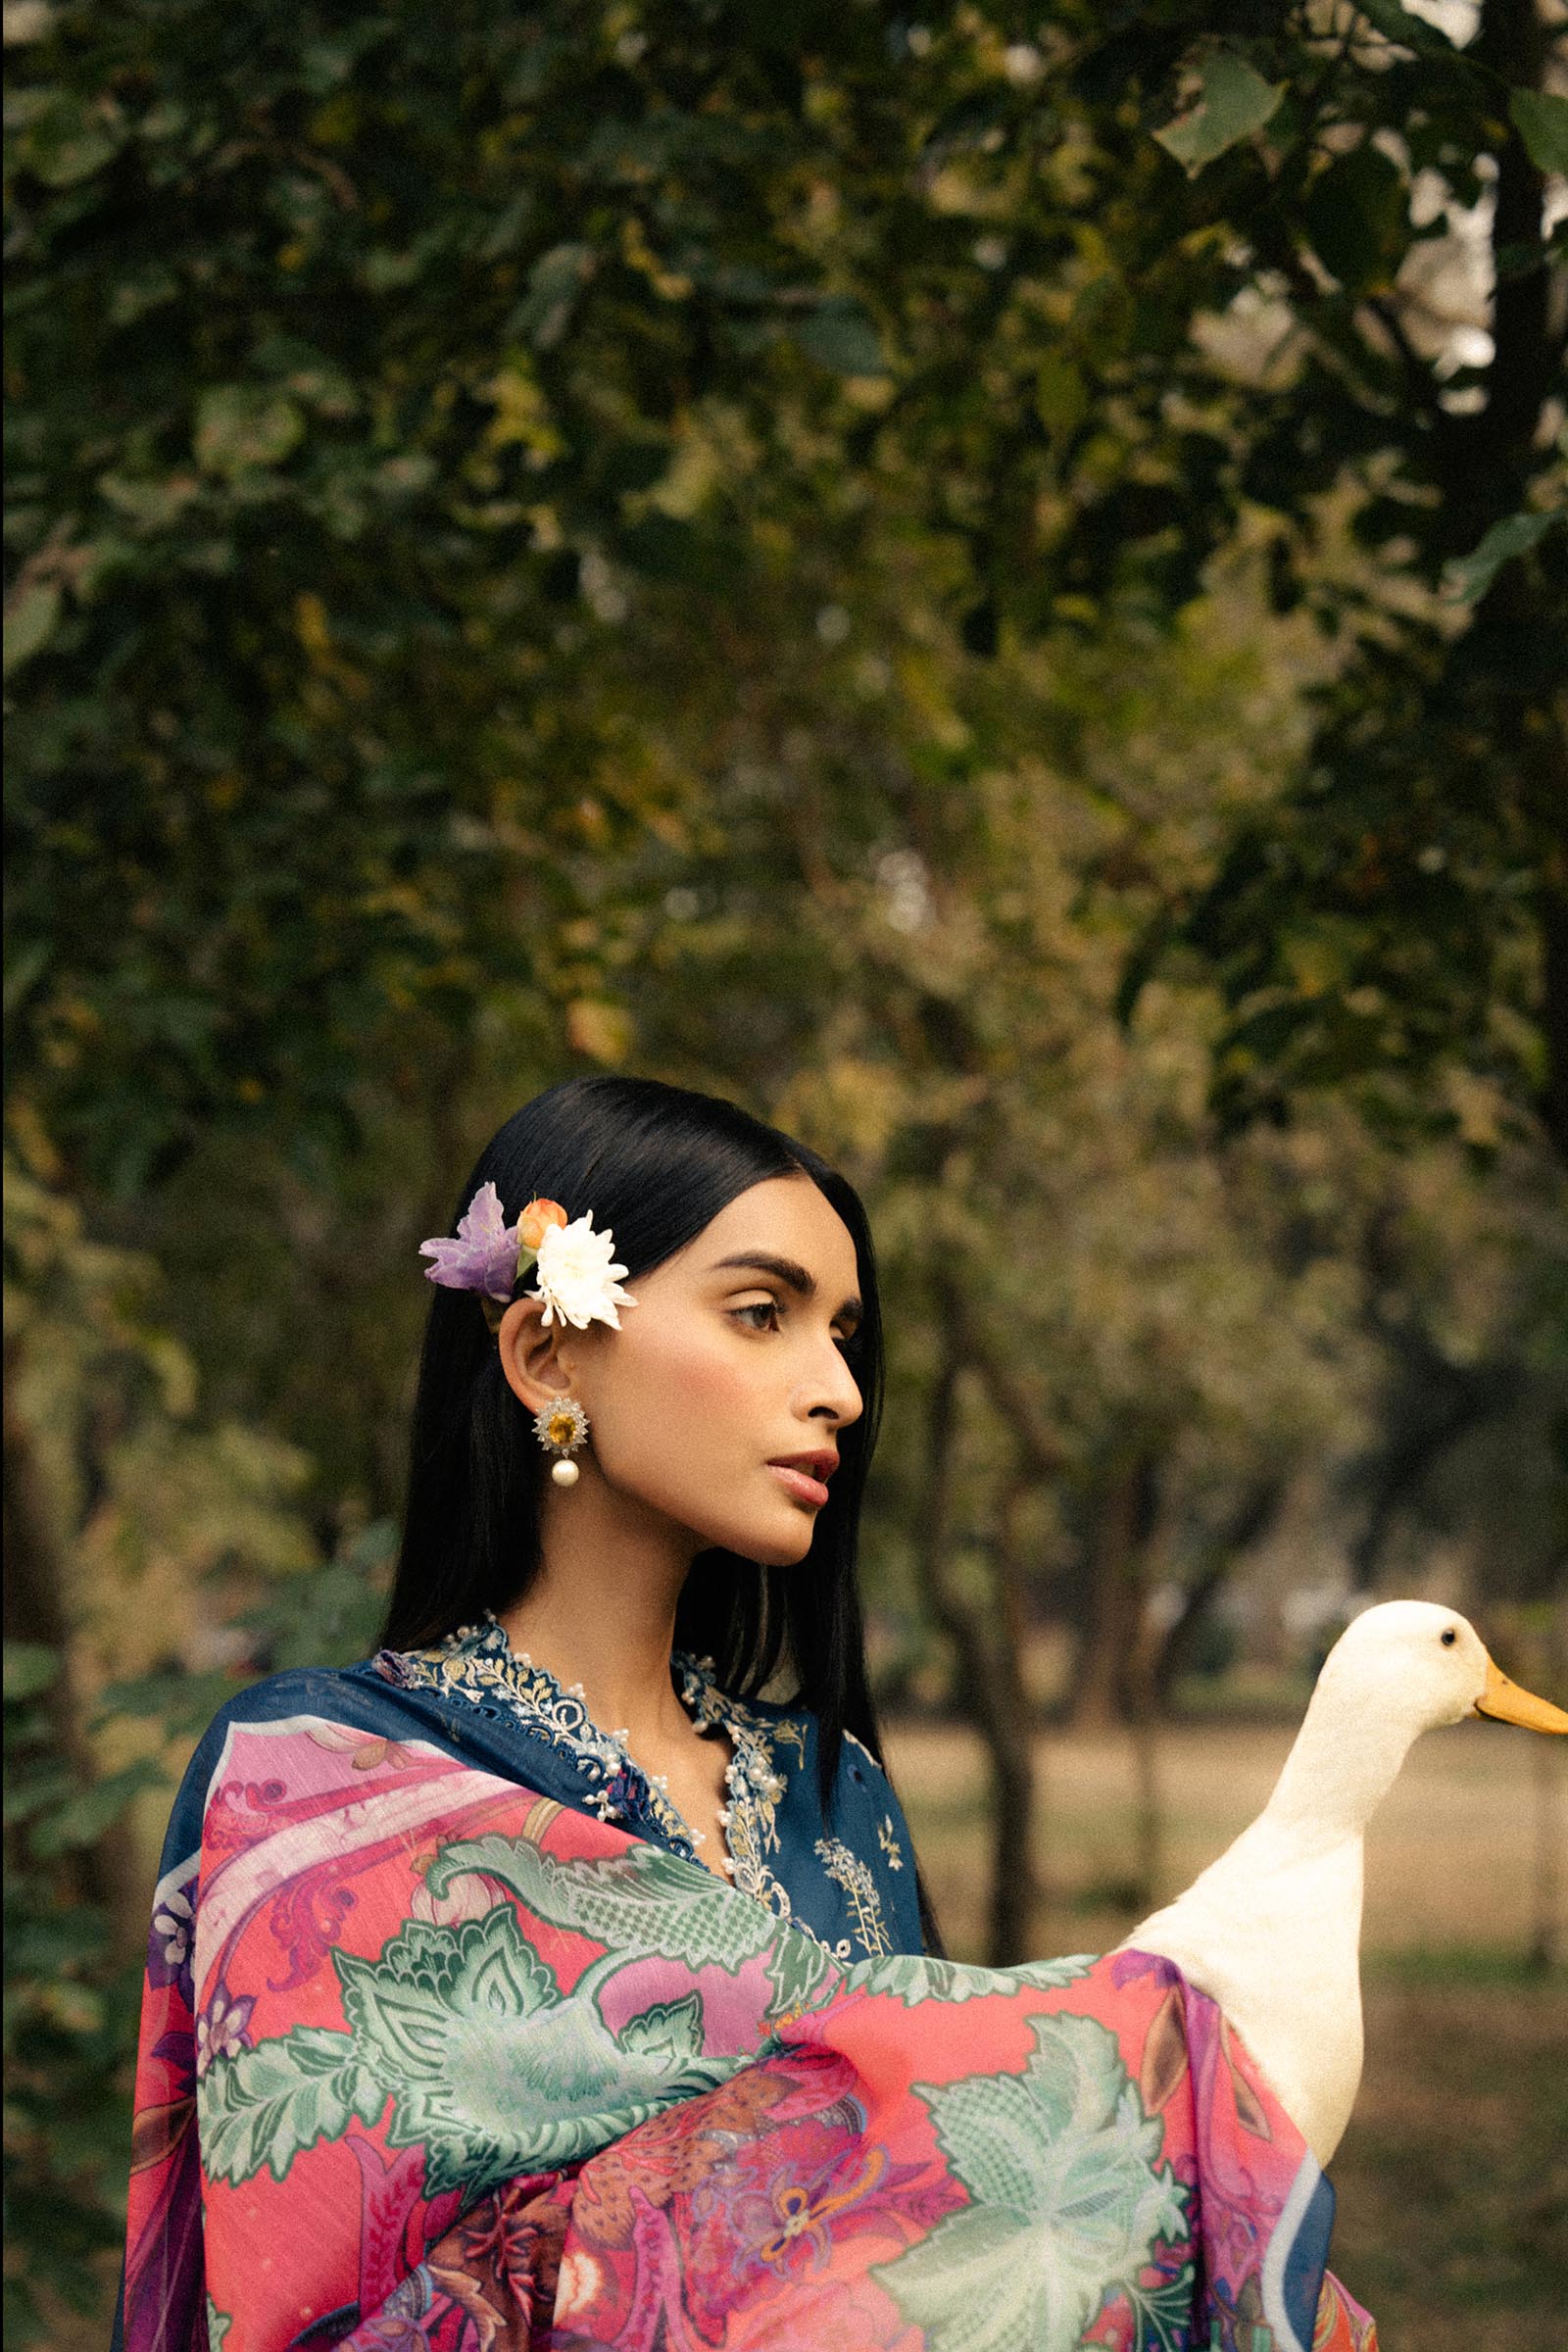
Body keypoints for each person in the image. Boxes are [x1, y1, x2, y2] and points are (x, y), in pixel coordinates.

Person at [117, 1076, 1377, 2351]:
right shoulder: (323, 1782)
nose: (840, 1390)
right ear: (548, 1355)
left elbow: (956, 2230)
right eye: (763, 1313)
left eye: (844, 1334)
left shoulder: (834, 1795)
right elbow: (292, 2293)